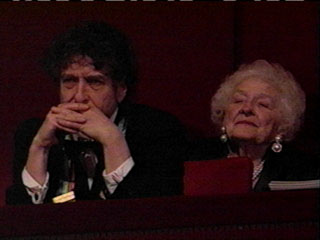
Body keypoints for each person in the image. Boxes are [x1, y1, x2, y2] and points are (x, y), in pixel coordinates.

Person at [6, 21, 187, 204]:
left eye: (95, 82)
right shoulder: (32, 133)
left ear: (121, 89)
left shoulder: (157, 131)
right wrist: (40, 147)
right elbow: (19, 222)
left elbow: (153, 215)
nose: (79, 96)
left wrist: (113, 140)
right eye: (69, 81)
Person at [190, 59, 319, 191]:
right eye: (238, 100)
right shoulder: (195, 158)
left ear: (283, 124)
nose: (246, 109)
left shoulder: (303, 171)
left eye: (262, 104)